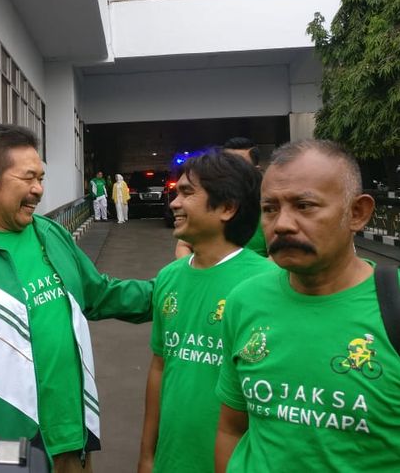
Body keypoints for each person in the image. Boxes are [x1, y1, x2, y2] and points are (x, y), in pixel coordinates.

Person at [0, 124, 154, 472]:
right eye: (28, 178)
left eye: (41, 178)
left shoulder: (49, 236)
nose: (38, 190)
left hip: (72, 443)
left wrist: (172, 293)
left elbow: (100, 294)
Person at [215, 140, 400, 471]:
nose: (282, 224)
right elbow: (231, 428)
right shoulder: (244, 302)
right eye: (270, 208)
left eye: (304, 205)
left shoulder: (393, 302)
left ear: (357, 213)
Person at [137, 151, 276, 473]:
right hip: (171, 460)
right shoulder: (169, 277)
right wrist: (147, 455)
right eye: (176, 193)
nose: (173, 203)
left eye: (187, 193)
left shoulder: (267, 284)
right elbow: (160, 368)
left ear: (227, 208)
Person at [175, 137, 268, 258]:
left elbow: (277, 256)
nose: (230, 172)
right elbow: (183, 245)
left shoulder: (268, 207)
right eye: (226, 165)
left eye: (238, 166)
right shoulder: (210, 202)